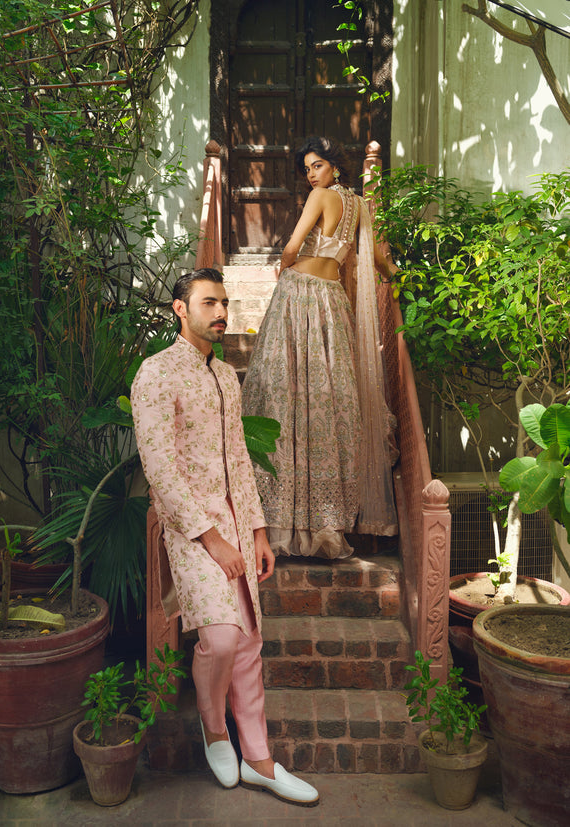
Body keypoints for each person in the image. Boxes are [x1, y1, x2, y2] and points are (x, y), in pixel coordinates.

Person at [130, 268, 319, 806]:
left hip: (237, 524)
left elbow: (238, 457)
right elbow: (159, 467)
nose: (220, 312)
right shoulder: (156, 373)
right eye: (209, 302)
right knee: (219, 638)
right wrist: (212, 538)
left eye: (224, 303)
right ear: (180, 309)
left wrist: (257, 530)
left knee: (249, 640)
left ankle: (259, 759)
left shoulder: (225, 376)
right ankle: (215, 727)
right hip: (192, 530)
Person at [242, 136, 399, 559]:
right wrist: (398, 277)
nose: (312, 174)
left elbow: (293, 246)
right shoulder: (360, 206)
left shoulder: (320, 197)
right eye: (308, 168)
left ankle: (284, 517)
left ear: (334, 167)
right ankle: (325, 520)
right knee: (325, 396)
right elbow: (378, 259)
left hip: (300, 294)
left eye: (318, 165)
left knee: (284, 390)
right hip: (331, 300)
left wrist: (282, 268)